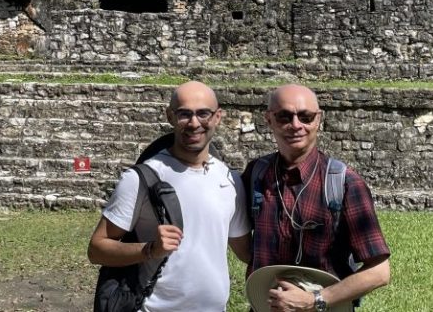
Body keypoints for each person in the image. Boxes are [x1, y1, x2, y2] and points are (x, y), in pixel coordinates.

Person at [88, 80, 252, 312]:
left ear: (217, 117)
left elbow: (246, 251)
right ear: (170, 116)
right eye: (184, 114)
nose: (194, 123)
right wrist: (150, 249)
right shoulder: (143, 177)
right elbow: (97, 249)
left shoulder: (230, 179)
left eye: (203, 113)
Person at [243, 84, 390, 312]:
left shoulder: (345, 183)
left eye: (306, 117)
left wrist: (315, 300)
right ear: (268, 119)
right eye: (284, 116)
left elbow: (379, 272)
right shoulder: (256, 174)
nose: (296, 125)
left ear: (318, 120)